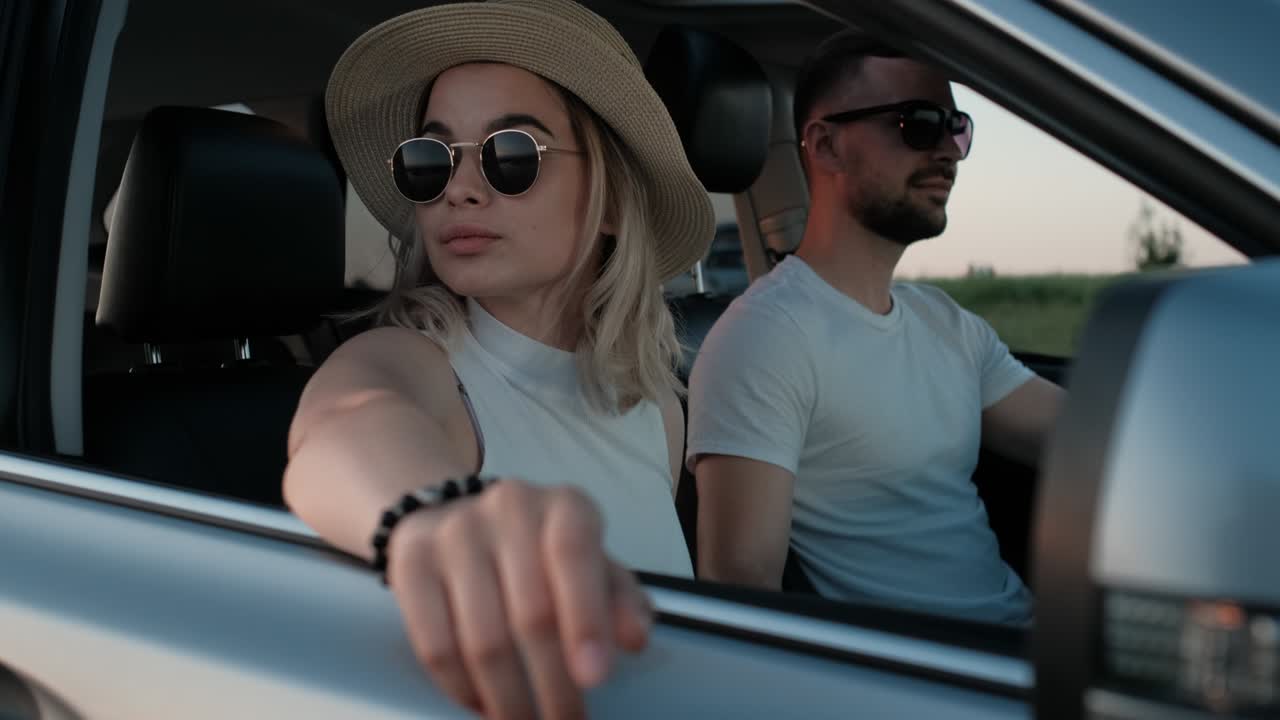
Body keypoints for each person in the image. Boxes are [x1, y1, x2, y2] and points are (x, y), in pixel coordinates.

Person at [283, 1, 714, 717]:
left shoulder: (654, 407)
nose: (461, 187)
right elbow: (344, 424)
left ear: (608, 201)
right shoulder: (417, 363)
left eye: (510, 153)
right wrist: (434, 519)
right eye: (430, 159)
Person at [687, 30, 1065, 627]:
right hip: (936, 678)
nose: (946, 150)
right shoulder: (765, 337)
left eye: (955, 126)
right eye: (917, 124)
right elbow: (743, 594)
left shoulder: (944, 321)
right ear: (826, 146)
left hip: (1030, 643)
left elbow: (1086, 437)